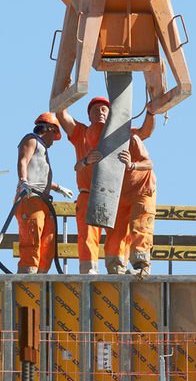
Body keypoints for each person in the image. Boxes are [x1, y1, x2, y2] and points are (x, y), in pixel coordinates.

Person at [57, 97, 154, 274]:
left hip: (118, 193)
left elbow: (145, 132)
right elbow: (61, 114)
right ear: (88, 116)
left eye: (104, 110)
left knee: (123, 232)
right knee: (89, 234)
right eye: (95, 110)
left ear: (111, 116)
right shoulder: (82, 132)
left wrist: (151, 111)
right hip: (92, 193)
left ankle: (124, 268)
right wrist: (67, 92)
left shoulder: (123, 135)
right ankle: (90, 272)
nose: (100, 112)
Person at [14, 113, 74, 274]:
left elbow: (40, 176)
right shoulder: (31, 139)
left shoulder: (42, 149)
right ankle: (28, 277)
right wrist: (24, 181)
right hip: (30, 198)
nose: (53, 143)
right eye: (55, 137)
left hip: (43, 201)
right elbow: (23, 161)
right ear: (51, 130)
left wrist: (58, 187)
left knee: (49, 242)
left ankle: (41, 277)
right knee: (31, 239)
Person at [104, 133, 157, 275]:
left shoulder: (131, 139)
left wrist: (132, 165)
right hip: (120, 193)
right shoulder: (97, 142)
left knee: (140, 227)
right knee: (115, 232)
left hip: (142, 189)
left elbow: (149, 163)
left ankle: (141, 268)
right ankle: (115, 270)